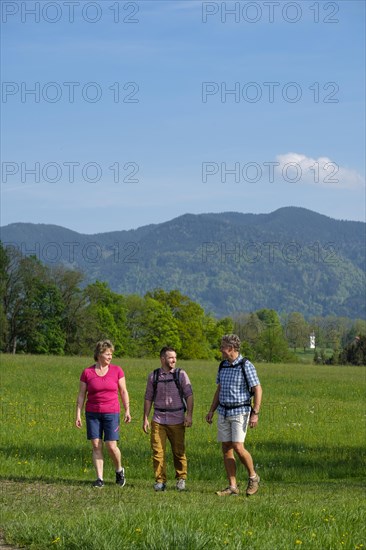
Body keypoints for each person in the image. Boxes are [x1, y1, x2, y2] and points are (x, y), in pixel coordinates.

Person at [206, 334, 262, 496]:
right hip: (223, 411)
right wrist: (211, 410)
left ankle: (253, 477)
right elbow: (220, 389)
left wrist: (255, 413)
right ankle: (232, 486)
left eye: (223, 346)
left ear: (230, 348)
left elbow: (257, 388)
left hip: (240, 411)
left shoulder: (246, 365)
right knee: (226, 448)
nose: (220, 350)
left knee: (238, 446)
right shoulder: (222, 365)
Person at [75, 339, 131, 488]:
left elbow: (123, 391)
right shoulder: (87, 372)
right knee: (96, 445)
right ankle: (99, 479)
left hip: (111, 412)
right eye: (107, 354)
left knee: (111, 445)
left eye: (111, 354)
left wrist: (127, 410)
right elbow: (81, 395)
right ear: (99, 354)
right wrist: (78, 414)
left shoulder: (117, 370)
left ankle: (119, 470)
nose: (110, 356)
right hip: (92, 413)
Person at [143, 347, 194, 491]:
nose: (174, 360)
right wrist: (145, 418)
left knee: (179, 451)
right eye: (171, 357)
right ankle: (160, 481)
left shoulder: (181, 374)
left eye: (175, 357)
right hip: (158, 419)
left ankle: (181, 479)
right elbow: (148, 398)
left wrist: (189, 415)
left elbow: (189, 395)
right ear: (163, 359)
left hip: (177, 419)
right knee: (158, 452)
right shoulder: (153, 376)